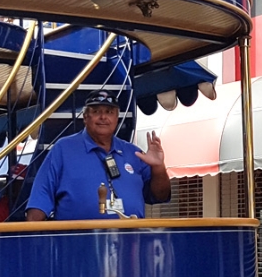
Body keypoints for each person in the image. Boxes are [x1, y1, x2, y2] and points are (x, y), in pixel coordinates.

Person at [26, 90, 170, 221]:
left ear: (117, 117)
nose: (103, 117)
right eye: (96, 112)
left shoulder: (134, 153)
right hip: (78, 244)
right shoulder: (63, 149)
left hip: (130, 242)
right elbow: (41, 197)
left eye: (109, 112)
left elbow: (161, 195)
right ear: (85, 117)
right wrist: (32, 238)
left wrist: (158, 167)